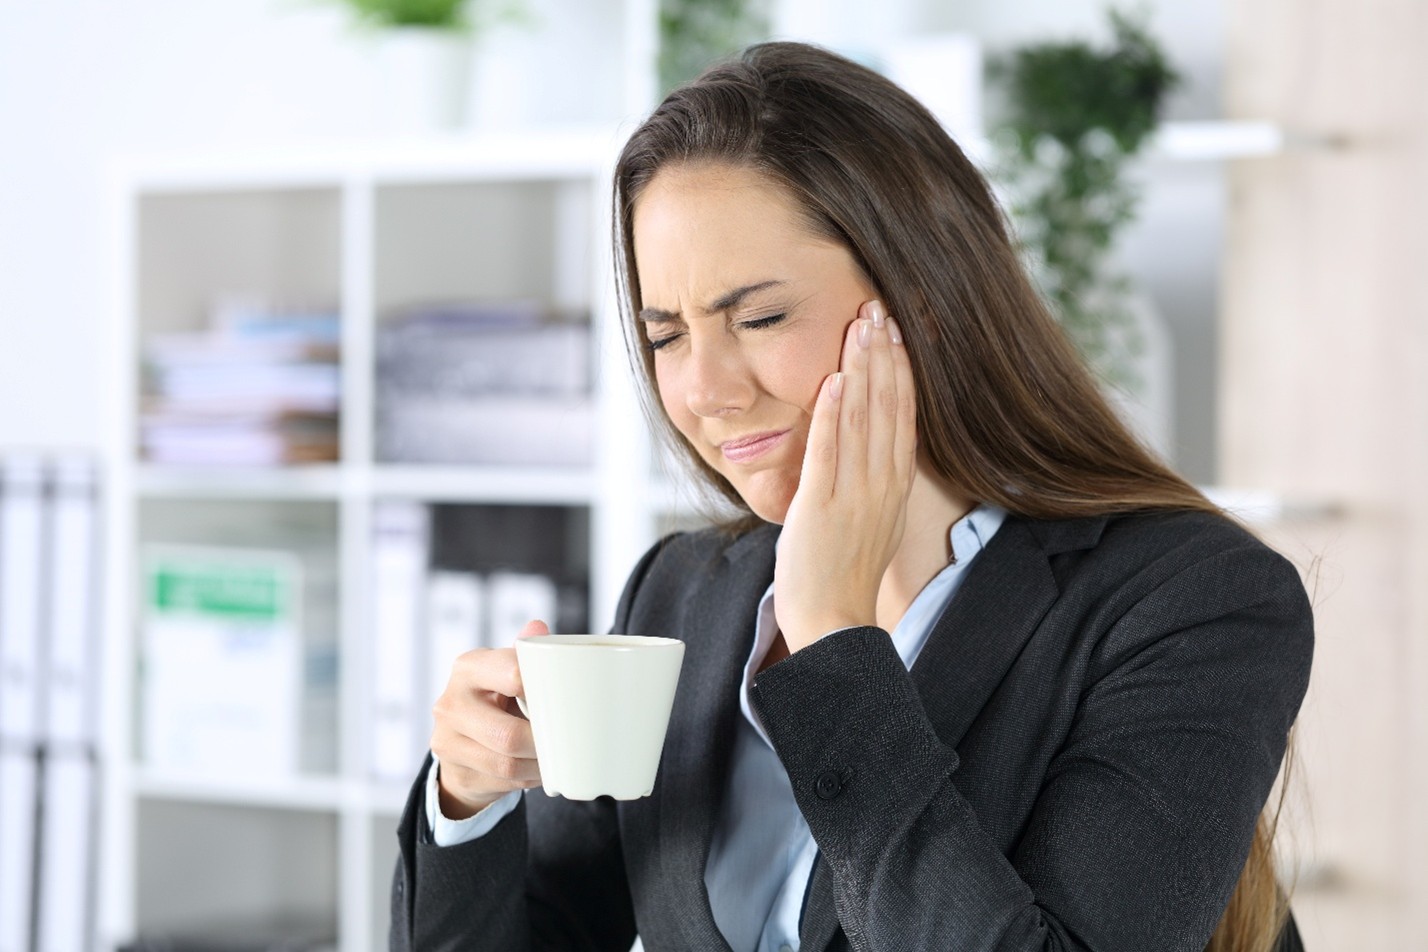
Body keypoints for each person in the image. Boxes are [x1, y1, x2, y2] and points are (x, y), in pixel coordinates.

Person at [390, 42, 1313, 952]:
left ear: (926, 302)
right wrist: (466, 802)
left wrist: (832, 636)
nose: (704, 390)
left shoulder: (1194, 602)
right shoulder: (685, 591)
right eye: (667, 336)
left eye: (758, 318)